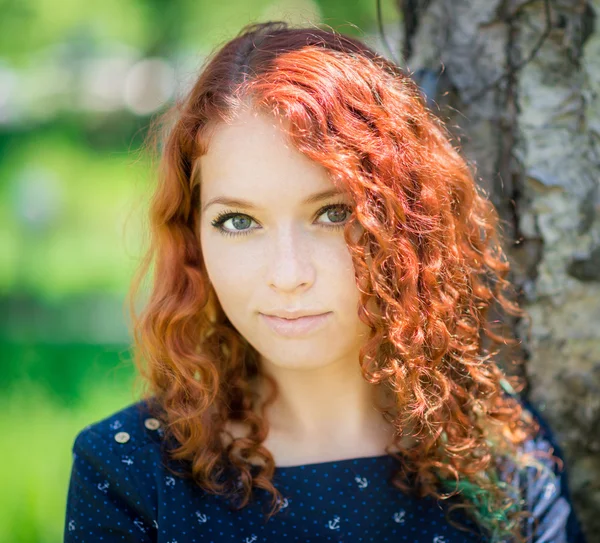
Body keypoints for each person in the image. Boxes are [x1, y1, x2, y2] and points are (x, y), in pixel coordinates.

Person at [64, 21, 586, 543]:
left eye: (334, 213)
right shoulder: (126, 472)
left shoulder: (495, 455)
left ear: (405, 224)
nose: (288, 275)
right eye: (239, 222)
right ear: (194, 237)